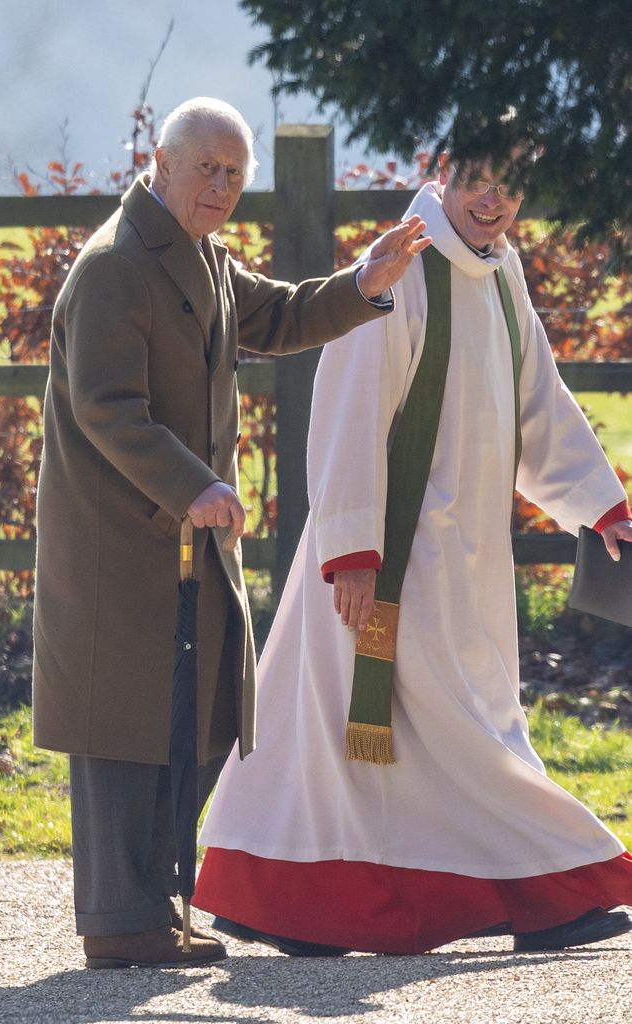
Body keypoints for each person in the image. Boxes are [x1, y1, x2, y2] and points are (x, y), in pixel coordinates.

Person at [194, 155, 632, 956]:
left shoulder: (500, 272)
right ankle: (558, 884)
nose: (493, 201)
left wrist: (597, 501)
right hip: (386, 557)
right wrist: (354, 551)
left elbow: (538, 393)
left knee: (402, 734)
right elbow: (348, 405)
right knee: (429, 732)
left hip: (468, 556)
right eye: (477, 181)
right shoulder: (401, 263)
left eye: (510, 185)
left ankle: (298, 910)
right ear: (441, 176)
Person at [31, 96, 430, 970]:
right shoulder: (112, 269)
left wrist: (361, 285)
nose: (221, 185)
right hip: (121, 544)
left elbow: (281, 316)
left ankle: (157, 909)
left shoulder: (202, 258)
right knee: (120, 730)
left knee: (192, 720)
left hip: (184, 540)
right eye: (207, 166)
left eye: (235, 174)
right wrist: (197, 483)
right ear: (159, 162)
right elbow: (108, 409)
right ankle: (118, 921)